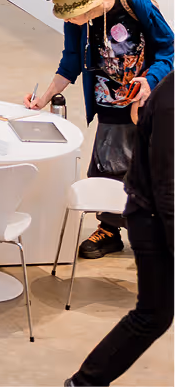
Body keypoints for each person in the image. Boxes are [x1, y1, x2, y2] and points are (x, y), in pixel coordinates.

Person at [25, 0, 172, 258]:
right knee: (108, 166)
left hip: (146, 102)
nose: (70, 23)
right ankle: (109, 229)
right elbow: (70, 62)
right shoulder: (75, 21)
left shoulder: (134, 2)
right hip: (109, 104)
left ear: (86, 6)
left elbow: (169, 48)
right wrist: (43, 99)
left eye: (72, 18)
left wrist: (148, 81)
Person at [69, 75, 171, 386]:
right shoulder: (172, 105)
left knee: (153, 316)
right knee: (152, 316)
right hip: (153, 219)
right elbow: (169, 189)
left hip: (157, 210)